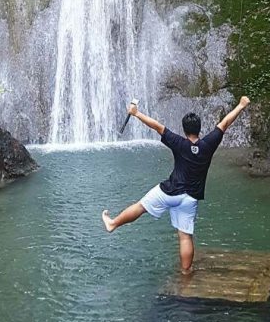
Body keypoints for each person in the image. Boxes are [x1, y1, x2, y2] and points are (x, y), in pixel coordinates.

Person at [101, 97, 251, 273]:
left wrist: (136, 113)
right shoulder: (208, 144)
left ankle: (113, 224)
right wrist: (241, 106)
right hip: (191, 198)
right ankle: (186, 271)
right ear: (199, 129)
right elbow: (224, 123)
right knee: (185, 237)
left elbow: (156, 126)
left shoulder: (179, 143)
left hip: (170, 191)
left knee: (141, 206)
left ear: (184, 129)